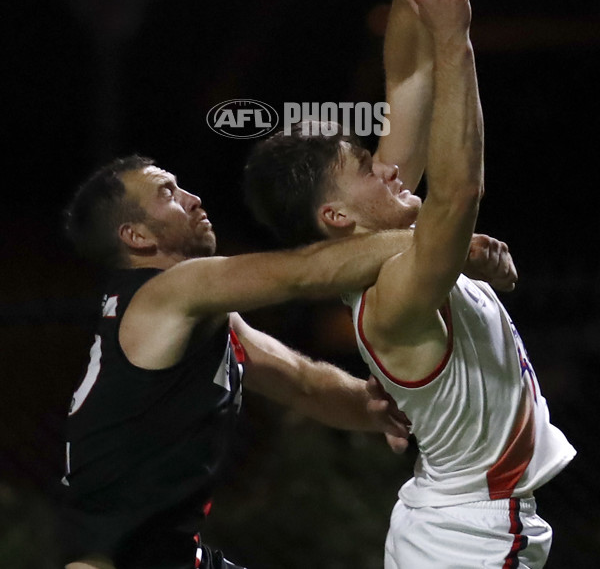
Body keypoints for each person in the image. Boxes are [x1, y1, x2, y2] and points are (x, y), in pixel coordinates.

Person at [244, 0, 576, 568]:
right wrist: (456, 33)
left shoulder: (383, 241)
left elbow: (410, 77)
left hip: (461, 525)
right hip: (468, 540)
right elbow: (457, 194)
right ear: (336, 217)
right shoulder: (391, 291)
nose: (392, 171)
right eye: (370, 167)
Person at [58, 154, 417, 569]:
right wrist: (439, 240)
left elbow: (303, 382)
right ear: (136, 236)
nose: (192, 199)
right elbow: (306, 272)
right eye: (168, 193)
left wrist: (379, 409)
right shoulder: (170, 291)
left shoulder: (192, 311)